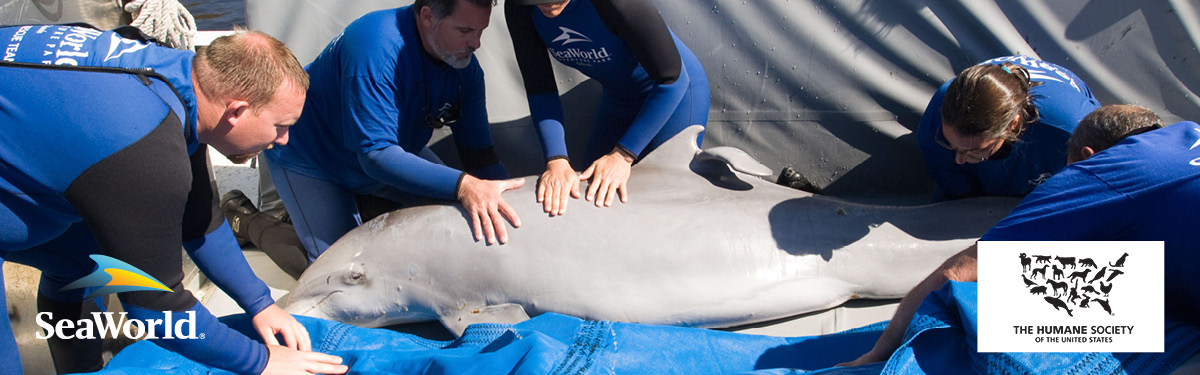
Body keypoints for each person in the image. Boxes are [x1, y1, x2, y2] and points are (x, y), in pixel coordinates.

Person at [0, 25, 346, 374]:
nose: (284, 140)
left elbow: (201, 222)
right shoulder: (142, 147)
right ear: (236, 111)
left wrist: (260, 304)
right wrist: (264, 361)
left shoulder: (178, 80)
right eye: (280, 126)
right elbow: (157, 308)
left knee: (80, 264)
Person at [844, 104, 1200, 366]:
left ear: (1088, 157)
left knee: (1001, 299)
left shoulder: (1103, 171)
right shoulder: (1186, 130)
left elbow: (961, 270)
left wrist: (878, 353)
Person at [263, 0, 523, 262]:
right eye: (465, 31)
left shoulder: (466, 71)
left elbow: (480, 157)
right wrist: (465, 186)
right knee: (338, 269)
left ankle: (366, 205)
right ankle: (248, 222)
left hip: (392, 152)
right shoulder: (375, 45)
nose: (476, 44)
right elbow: (375, 157)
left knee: (465, 214)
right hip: (312, 155)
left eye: (481, 31)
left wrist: (516, 210)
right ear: (427, 16)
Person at [505, 0, 710, 215]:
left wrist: (622, 156)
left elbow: (672, 81)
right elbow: (541, 89)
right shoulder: (521, 6)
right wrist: (556, 160)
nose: (544, 7)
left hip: (675, 96)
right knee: (589, 195)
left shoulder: (616, 3)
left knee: (668, 206)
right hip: (619, 99)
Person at [917, 55, 1100, 201]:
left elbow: (1105, 184)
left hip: (1051, 150)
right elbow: (954, 187)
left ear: (1012, 126)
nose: (959, 159)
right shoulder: (940, 111)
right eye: (952, 146)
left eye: (973, 151)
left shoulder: (1071, 126)